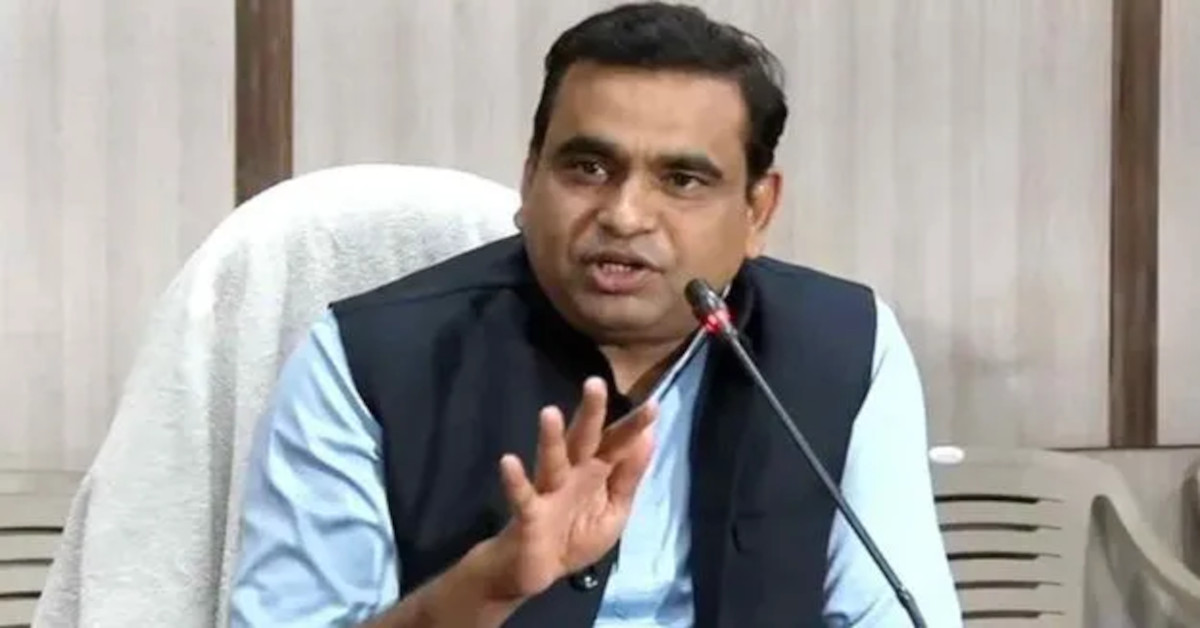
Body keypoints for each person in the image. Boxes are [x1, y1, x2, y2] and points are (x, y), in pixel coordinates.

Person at [229, 3, 962, 626]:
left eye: (682, 179)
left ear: (757, 210)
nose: (624, 214)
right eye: (587, 168)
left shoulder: (846, 348)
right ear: (530, 178)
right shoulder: (365, 363)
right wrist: (484, 587)